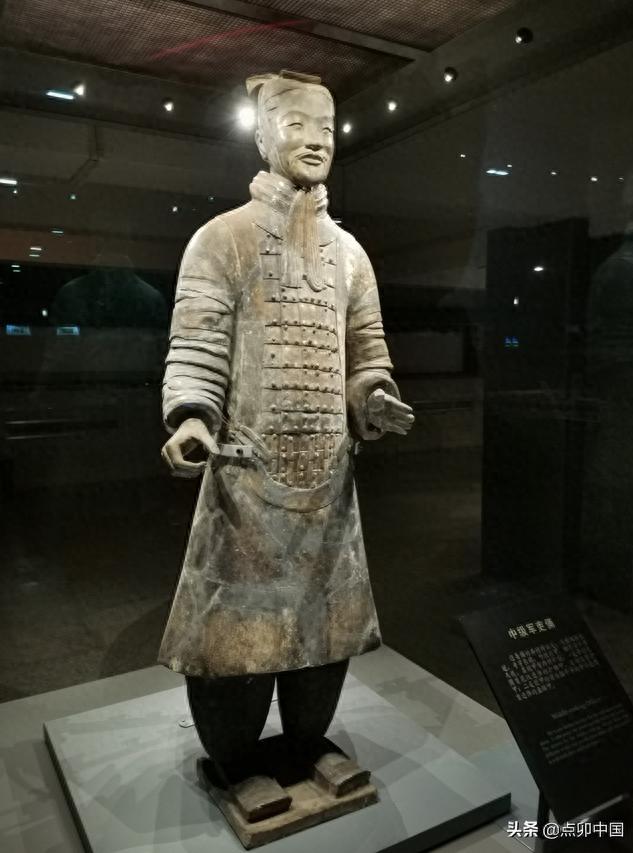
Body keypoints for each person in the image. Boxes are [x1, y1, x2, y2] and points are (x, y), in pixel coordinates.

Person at [159, 70, 414, 810]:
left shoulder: (351, 253)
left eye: (326, 128)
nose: (315, 140)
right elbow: (198, 345)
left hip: (328, 488)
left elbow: (366, 354)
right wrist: (193, 418)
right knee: (235, 639)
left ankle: (307, 746)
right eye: (297, 124)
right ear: (263, 135)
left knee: (324, 631)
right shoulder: (222, 239)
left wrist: (374, 398)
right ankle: (238, 763)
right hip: (245, 487)